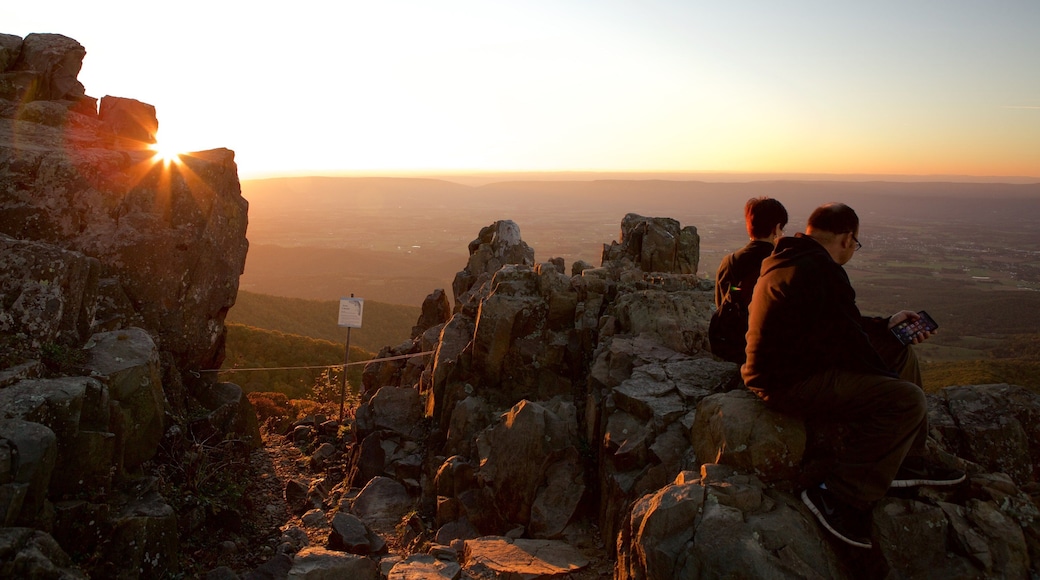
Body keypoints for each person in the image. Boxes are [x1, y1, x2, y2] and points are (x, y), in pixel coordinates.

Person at [742, 202, 964, 550]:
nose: (854, 251)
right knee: (907, 400)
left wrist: (885, 326)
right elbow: (850, 347)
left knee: (900, 349)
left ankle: (907, 460)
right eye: (856, 244)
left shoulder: (790, 257)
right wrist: (889, 381)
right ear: (847, 238)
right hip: (786, 382)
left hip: (789, 367)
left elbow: (840, 324)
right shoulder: (822, 270)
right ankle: (838, 497)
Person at [709, 197, 788, 363]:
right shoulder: (782, 264)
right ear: (777, 229)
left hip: (733, 347)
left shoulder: (729, 262)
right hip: (769, 352)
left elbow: (721, 301)